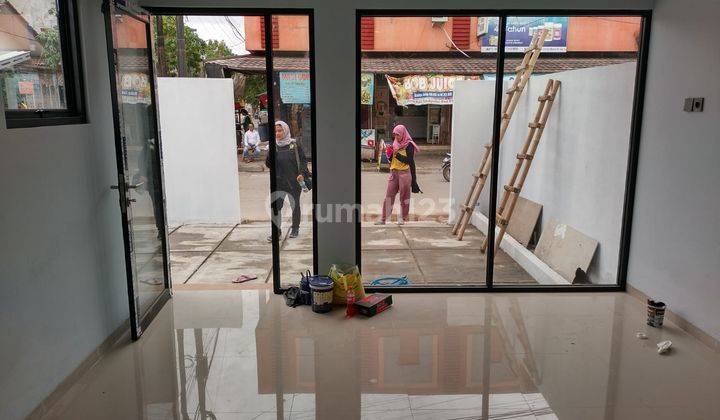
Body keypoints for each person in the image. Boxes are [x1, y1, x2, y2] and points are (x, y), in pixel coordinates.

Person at [266, 120, 309, 240]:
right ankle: (277, 231)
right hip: (278, 182)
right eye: (275, 131)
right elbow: (269, 164)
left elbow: (303, 161)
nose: (277, 133)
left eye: (280, 131)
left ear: (285, 131)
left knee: (295, 206)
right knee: (276, 207)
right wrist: (270, 152)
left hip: (293, 182)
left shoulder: (294, 145)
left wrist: (301, 173)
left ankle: (295, 228)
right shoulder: (273, 146)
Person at [375, 124, 421, 225]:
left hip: (405, 173)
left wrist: (397, 154)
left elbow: (409, 160)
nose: (396, 137)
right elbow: (392, 159)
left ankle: (403, 218)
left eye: (398, 135)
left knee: (404, 197)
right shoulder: (395, 143)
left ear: (403, 134)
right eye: (394, 135)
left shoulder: (409, 145)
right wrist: (389, 153)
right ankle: (383, 218)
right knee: (389, 196)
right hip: (394, 172)